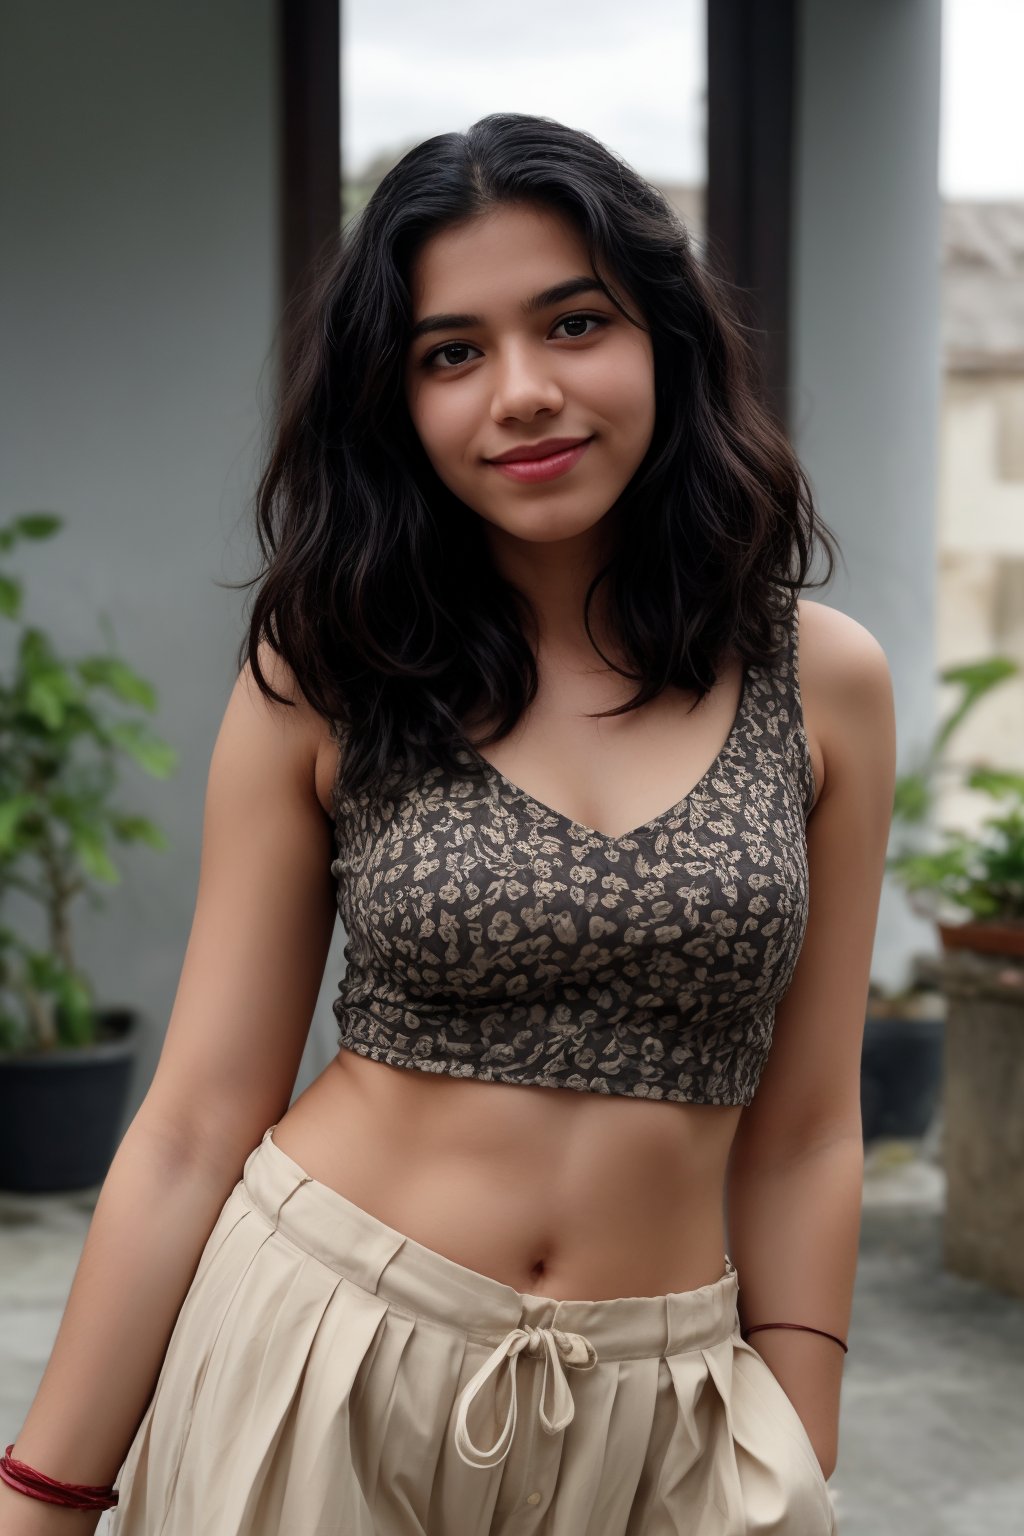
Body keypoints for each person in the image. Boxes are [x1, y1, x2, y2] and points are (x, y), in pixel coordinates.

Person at [1, 113, 895, 1536]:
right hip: (323, 1358)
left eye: (575, 322)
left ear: (662, 335)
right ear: (396, 403)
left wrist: (795, 1444)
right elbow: (195, 1122)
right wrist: (44, 1498)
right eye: (451, 353)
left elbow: (803, 1132)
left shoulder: (822, 683)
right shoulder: (330, 670)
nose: (524, 392)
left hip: (655, 1418)